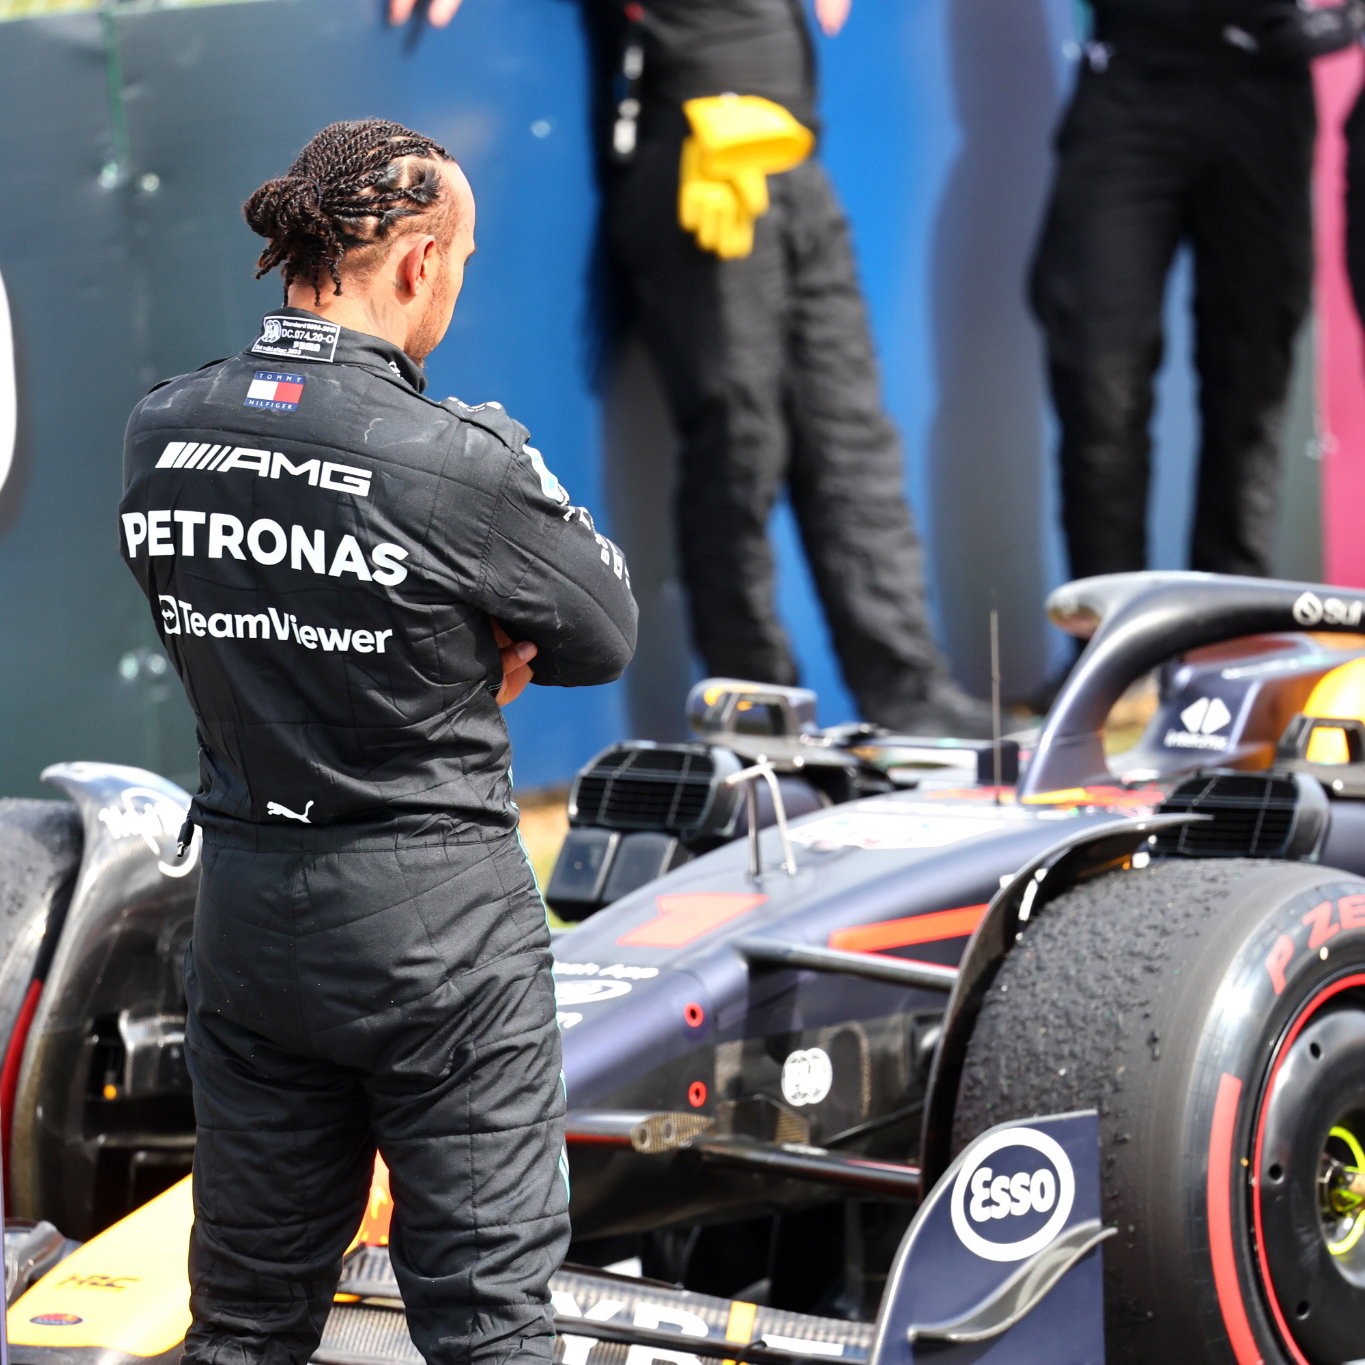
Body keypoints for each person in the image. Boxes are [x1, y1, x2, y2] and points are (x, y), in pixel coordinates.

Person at [119, 118, 637, 1365]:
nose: (457, 284)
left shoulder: (160, 429)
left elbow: (245, 625)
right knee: (488, 1327)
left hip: (247, 923)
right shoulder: (458, 463)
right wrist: (461, 644)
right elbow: (602, 627)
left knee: (242, 1326)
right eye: (460, 257)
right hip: (438, 937)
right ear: (416, 260)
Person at [391, 0, 994, 738]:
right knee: (739, 447)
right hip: (698, 170)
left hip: (792, 164)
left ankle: (911, 698)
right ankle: (759, 715)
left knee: (852, 438)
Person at [1032, 0, 1365, 585]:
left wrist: (1354, 18)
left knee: (1251, 381)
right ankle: (1107, 649)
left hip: (1263, 84)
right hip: (1130, 77)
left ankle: (1230, 645)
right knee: (1097, 375)